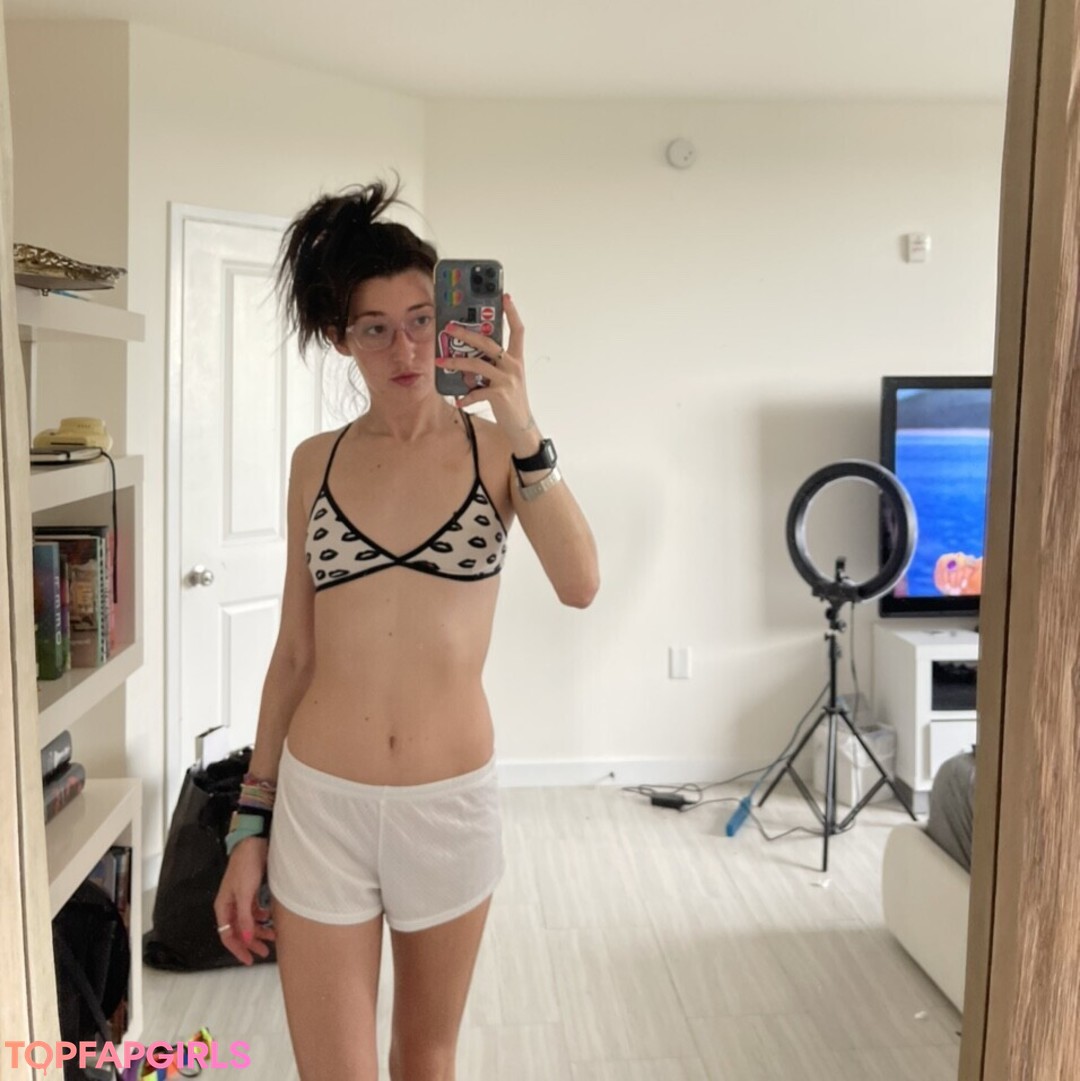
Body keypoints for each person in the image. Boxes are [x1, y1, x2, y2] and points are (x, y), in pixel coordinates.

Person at [212, 179, 599, 1081]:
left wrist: (522, 420)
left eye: (423, 319)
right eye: (375, 327)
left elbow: (580, 583)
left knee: (424, 1059)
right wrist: (248, 824)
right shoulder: (316, 463)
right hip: (322, 805)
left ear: (455, 320)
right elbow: (295, 655)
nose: (407, 347)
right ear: (340, 339)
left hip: (448, 805)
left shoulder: (499, 453)